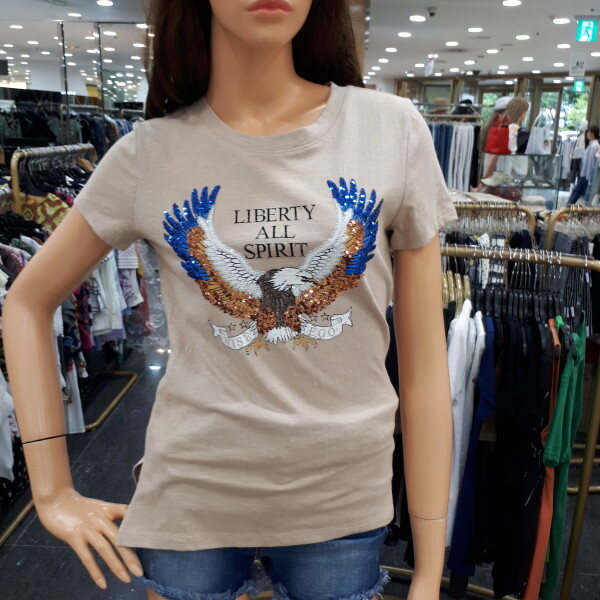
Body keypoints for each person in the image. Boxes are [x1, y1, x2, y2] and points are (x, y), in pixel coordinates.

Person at [2, 2, 457, 600]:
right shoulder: (149, 153)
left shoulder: (391, 130)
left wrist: (428, 570)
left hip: (339, 491)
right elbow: (26, 302)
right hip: (194, 490)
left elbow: (425, 368)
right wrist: (52, 493)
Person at [474, 97, 530, 192]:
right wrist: (483, 184)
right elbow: (494, 157)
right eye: (525, 111)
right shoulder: (508, 131)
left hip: (508, 180)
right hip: (505, 182)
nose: (525, 114)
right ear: (518, 112)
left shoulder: (504, 130)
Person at [567, 126, 600, 205]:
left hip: (586, 175)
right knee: (577, 193)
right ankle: (568, 207)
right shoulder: (591, 145)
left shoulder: (594, 146)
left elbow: (591, 163)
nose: (587, 134)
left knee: (578, 193)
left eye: (588, 132)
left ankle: (567, 207)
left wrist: (588, 177)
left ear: (592, 134)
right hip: (585, 175)